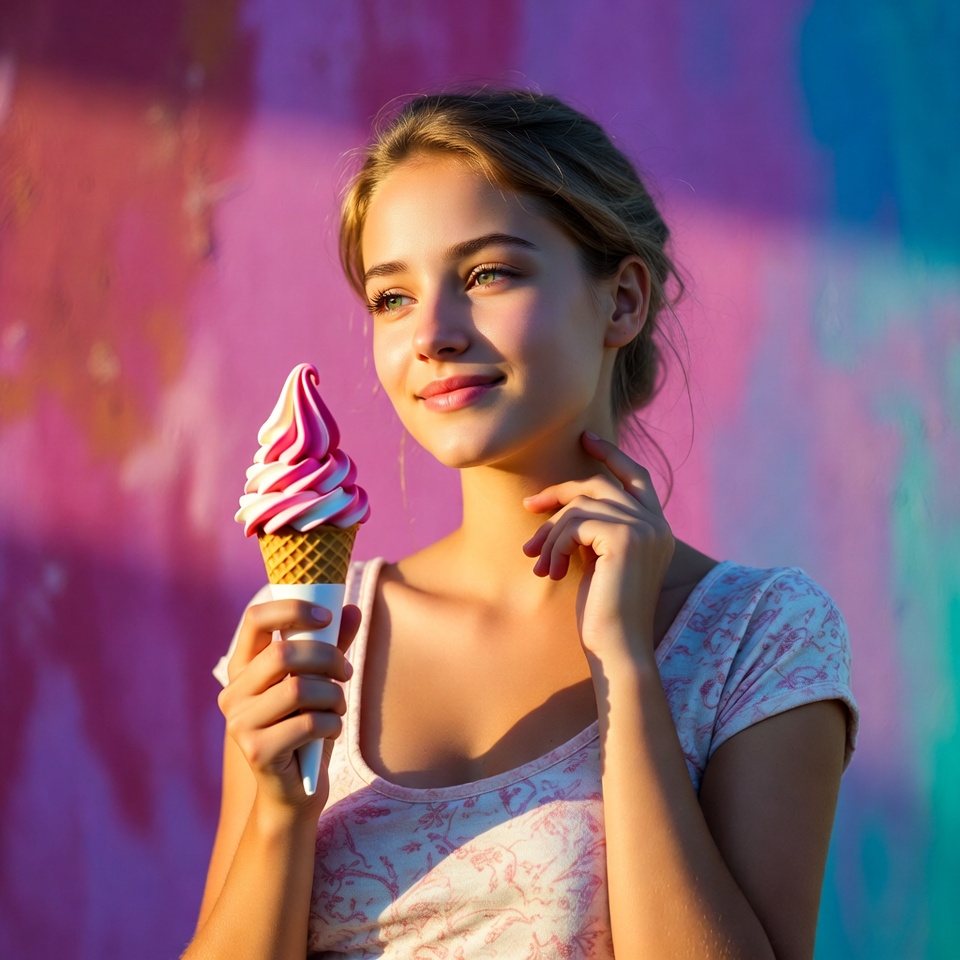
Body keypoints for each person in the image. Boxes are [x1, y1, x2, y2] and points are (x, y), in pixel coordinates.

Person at [186, 90, 858, 960]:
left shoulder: (759, 635)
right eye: (392, 297)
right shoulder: (309, 634)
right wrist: (280, 813)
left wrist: (625, 665)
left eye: (487, 275)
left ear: (622, 302)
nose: (431, 335)